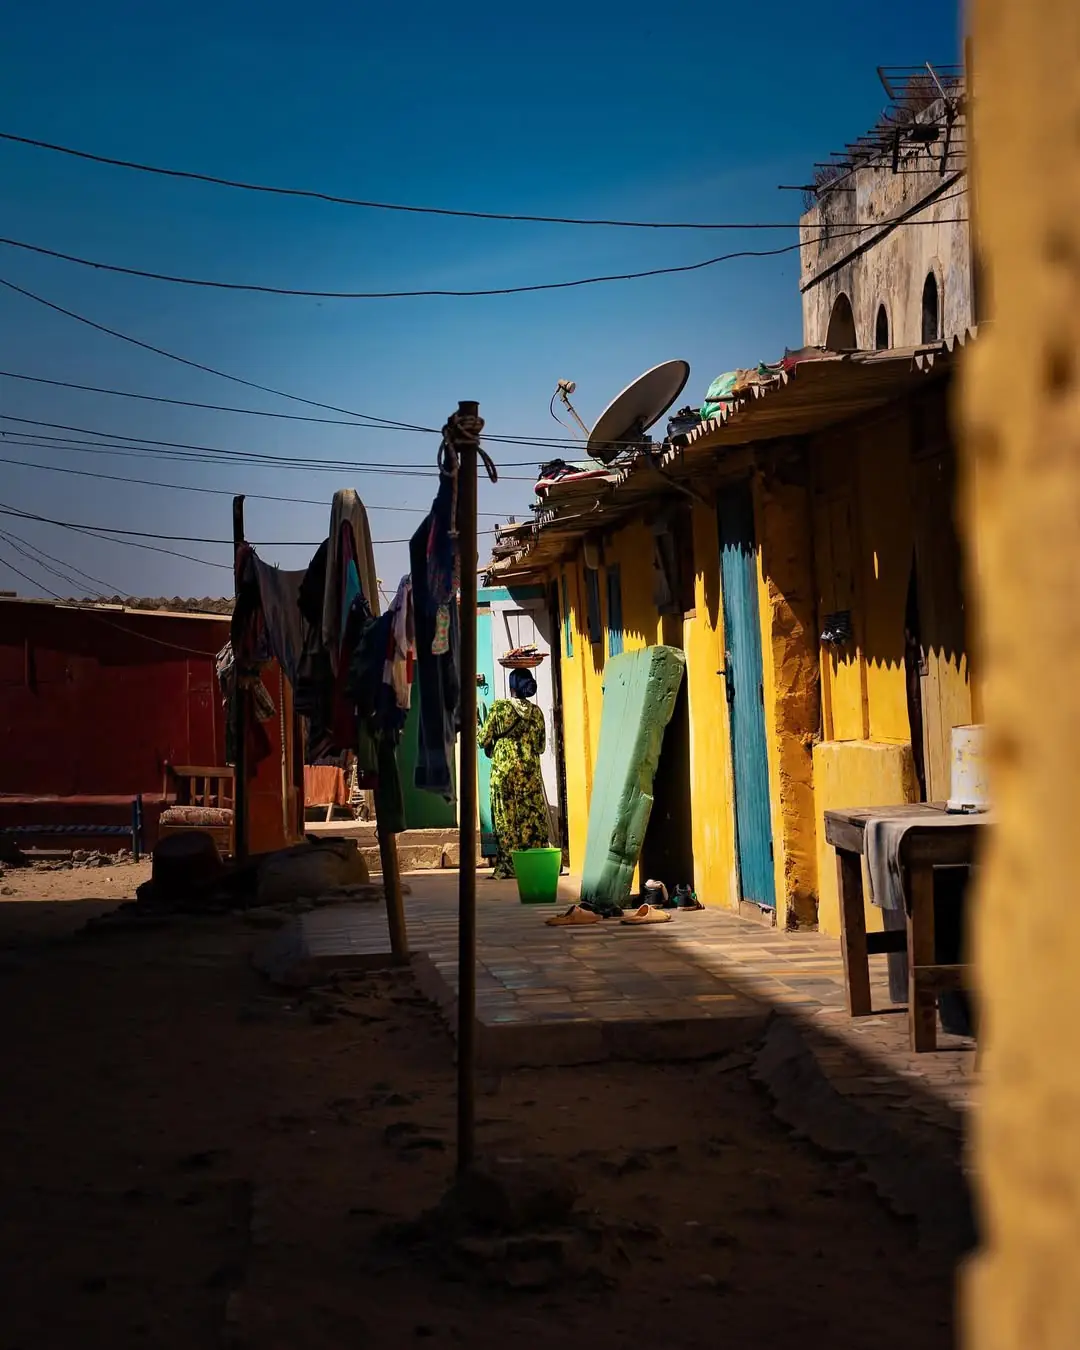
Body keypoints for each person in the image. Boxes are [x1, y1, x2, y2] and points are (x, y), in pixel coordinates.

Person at [477, 667, 550, 879]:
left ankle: (508, 865)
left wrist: (479, 726)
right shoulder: (536, 713)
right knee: (531, 817)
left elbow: (482, 740)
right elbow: (541, 746)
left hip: (503, 772)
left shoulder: (500, 708)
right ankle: (534, 863)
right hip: (529, 774)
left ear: (511, 688)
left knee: (504, 819)